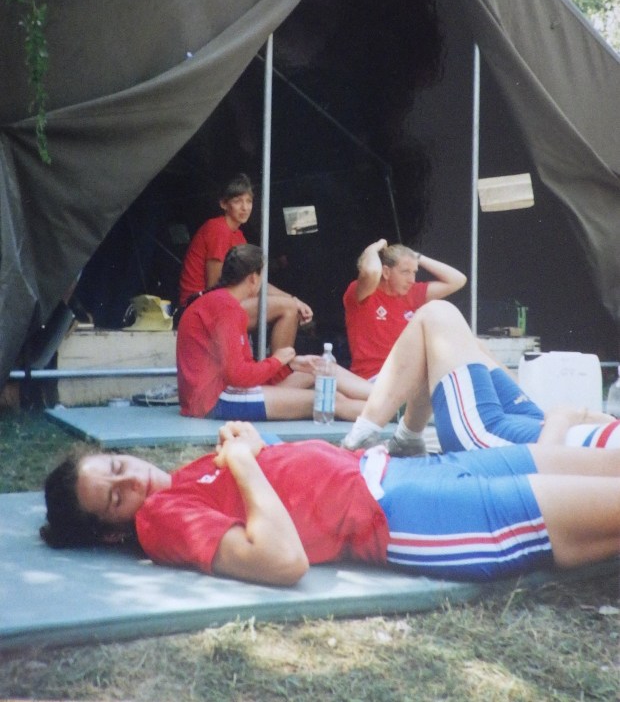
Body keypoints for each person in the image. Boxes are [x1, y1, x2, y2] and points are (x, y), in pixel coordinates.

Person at [40, 420, 620, 586]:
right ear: (114, 531)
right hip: (408, 516)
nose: (135, 486)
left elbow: (269, 495)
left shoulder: (186, 478)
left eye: (120, 470)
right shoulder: (161, 521)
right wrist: (243, 462)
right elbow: (280, 560)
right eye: (116, 500)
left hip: (409, 471)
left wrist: (254, 455)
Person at [342, 299, 620, 455]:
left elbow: (546, 465)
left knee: (437, 314)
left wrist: (566, 418)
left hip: (510, 440)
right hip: (539, 424)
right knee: (472, 346)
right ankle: (407, 440)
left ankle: (362, 436)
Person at [177, 243, 372, 420]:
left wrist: (291, 363)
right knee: (329, 400)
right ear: (254, 278)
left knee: (321, 368)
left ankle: (387, 400)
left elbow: (239, 369)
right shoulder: (227, 308)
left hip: (215, 395)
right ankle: (389, 411)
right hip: (215, 400)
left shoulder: (221, 302)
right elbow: (237, 375)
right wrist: (277, 360)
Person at [178, 173, 313, 351]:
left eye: (249, 201)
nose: (245, 208)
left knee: (291, 305)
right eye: (237, 201)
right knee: (288, 308)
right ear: (224, 204)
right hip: (201, 309)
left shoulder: (239, 236)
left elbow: (255, 282)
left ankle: (277, 369)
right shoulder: (217, 229)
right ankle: (278, 371)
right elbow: (215, 287)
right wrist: (285, 302)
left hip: (222, 304)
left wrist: (294, 299)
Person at [343, 239, 467, 380]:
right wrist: (373, 249)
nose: (412, 280)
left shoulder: (412, 293)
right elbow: (371, 271)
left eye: (414, 272)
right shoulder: (362, 293)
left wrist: (416, 257)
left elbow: (458, 280)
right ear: (386, 272)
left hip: (407, 377)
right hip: (374, 378)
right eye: (405, 272)